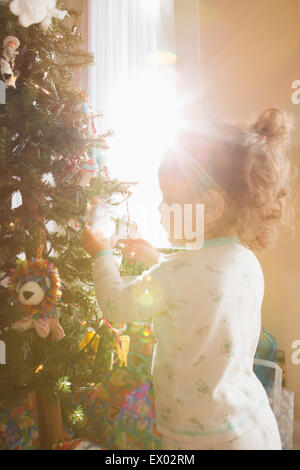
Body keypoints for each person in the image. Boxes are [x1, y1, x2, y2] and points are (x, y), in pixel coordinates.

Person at [83, 108, 293, 450]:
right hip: (253, 423)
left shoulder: (176, 273)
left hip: (201, 437)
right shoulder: (244, 259)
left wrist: (101, 254)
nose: (160, 210)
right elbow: (202, 288)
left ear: (210, 207)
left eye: (169, 201)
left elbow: (117, 307)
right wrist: (157, 259)